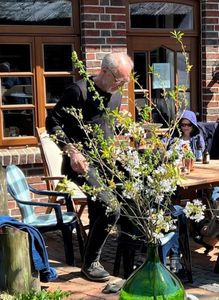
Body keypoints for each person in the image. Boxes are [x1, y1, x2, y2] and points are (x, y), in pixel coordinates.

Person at [46, 52, 133, 282]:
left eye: (126, 81)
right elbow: (52, 123)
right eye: (119, 80)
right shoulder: (78, 92)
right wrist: (72, 151)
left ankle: (131, 260)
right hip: (80, 165)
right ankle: (91, 262)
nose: (121, 85)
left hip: (105, 162)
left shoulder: (115, 96)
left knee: (134, 195)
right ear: (104, 71)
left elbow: (106, 127)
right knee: (110, 207)